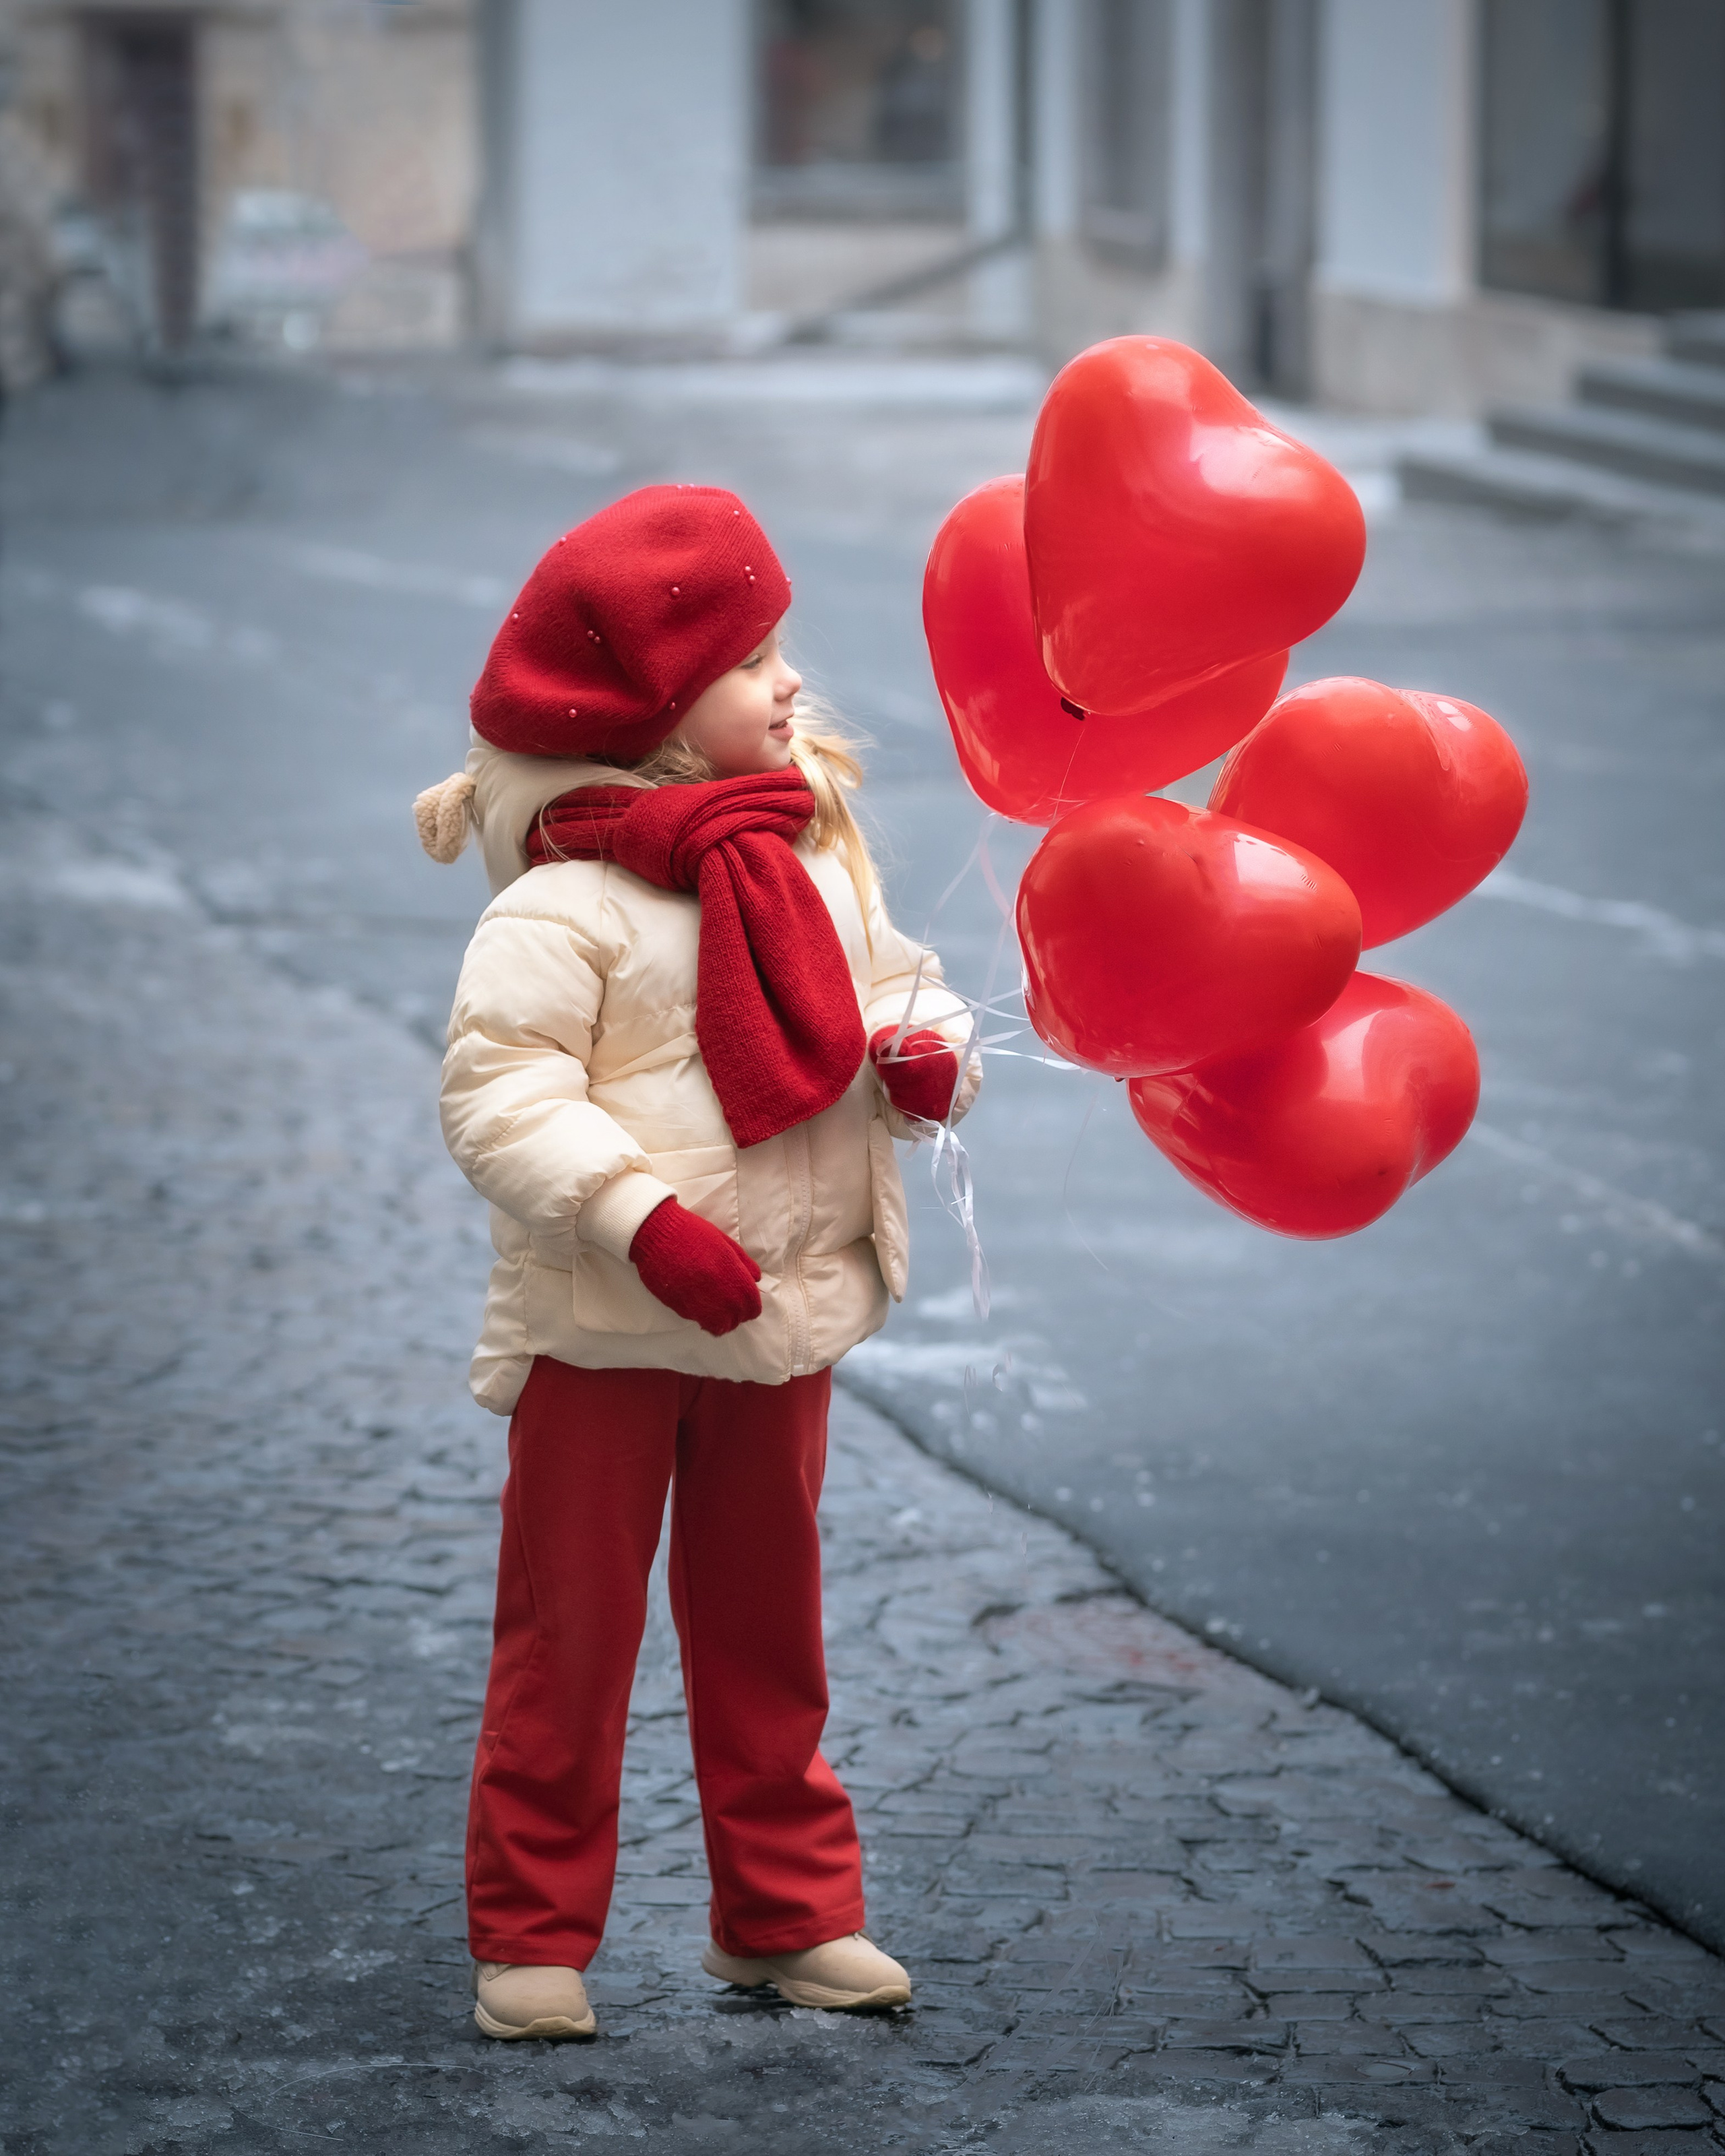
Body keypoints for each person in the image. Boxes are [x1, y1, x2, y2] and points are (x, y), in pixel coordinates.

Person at [413, 484, 978, 2042]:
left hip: (776, 1320)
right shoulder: (561, 904)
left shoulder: (805, 849)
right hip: (606, 1327)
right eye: (749, 662)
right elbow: (498, 1095)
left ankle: (787, 1916)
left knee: (766, 1635)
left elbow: (896, 993)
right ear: (657, 715)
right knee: (568, 1637)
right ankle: (531, 1932)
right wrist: (640, 1222)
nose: (788, 681)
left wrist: (928, 1058)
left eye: (780, 647)